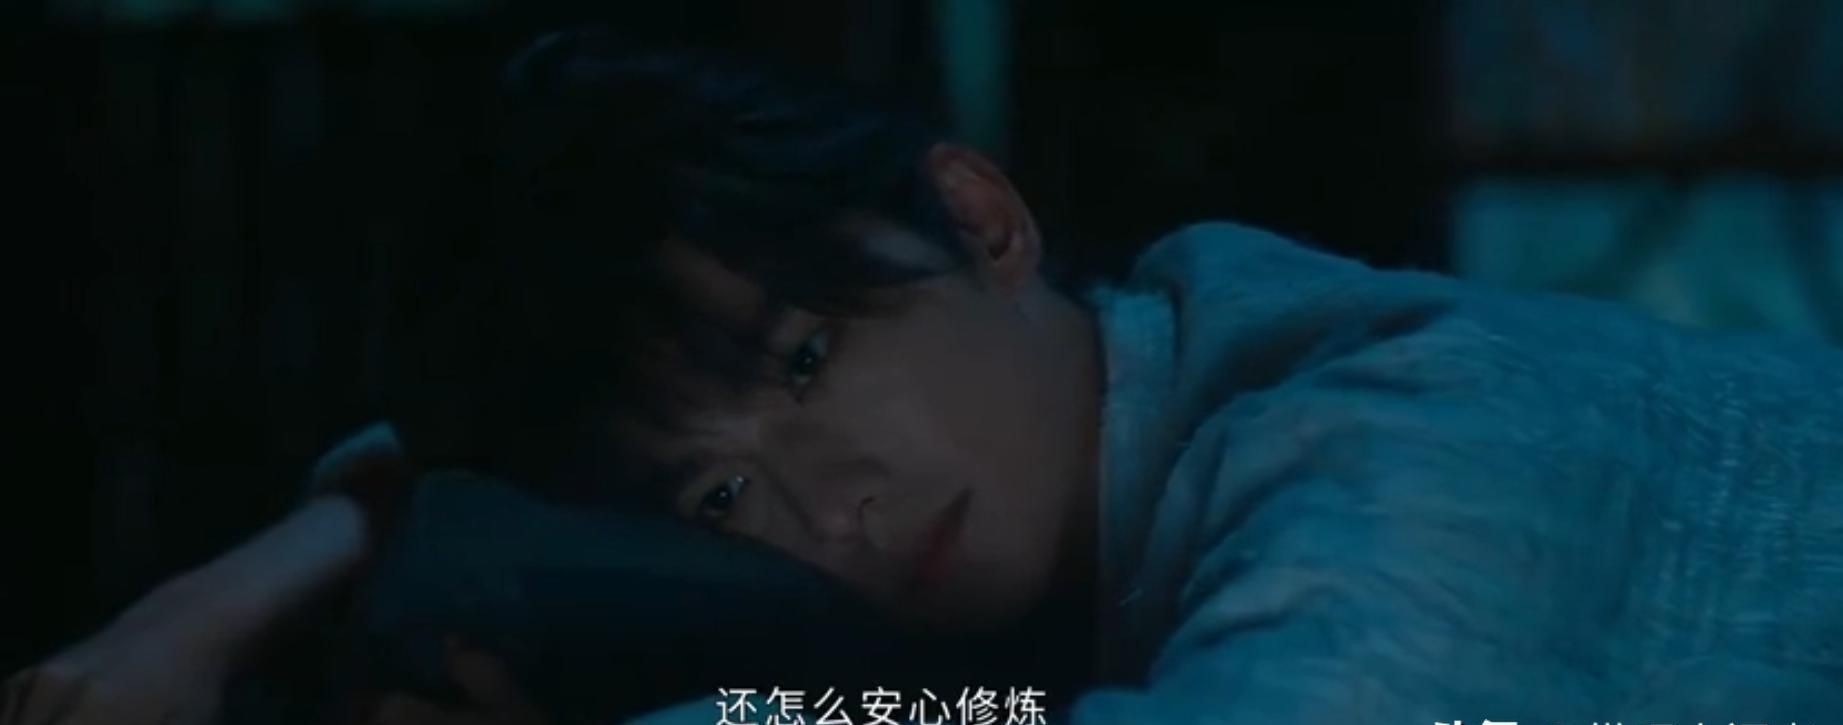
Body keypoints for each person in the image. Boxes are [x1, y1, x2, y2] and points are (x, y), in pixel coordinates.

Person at [10, 29, 1843, 725]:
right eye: (725, 493)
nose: (833, 507)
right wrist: (229, 591)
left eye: (812, 356)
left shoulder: (1400, 435)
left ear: (979, 218)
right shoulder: (1137, 470)